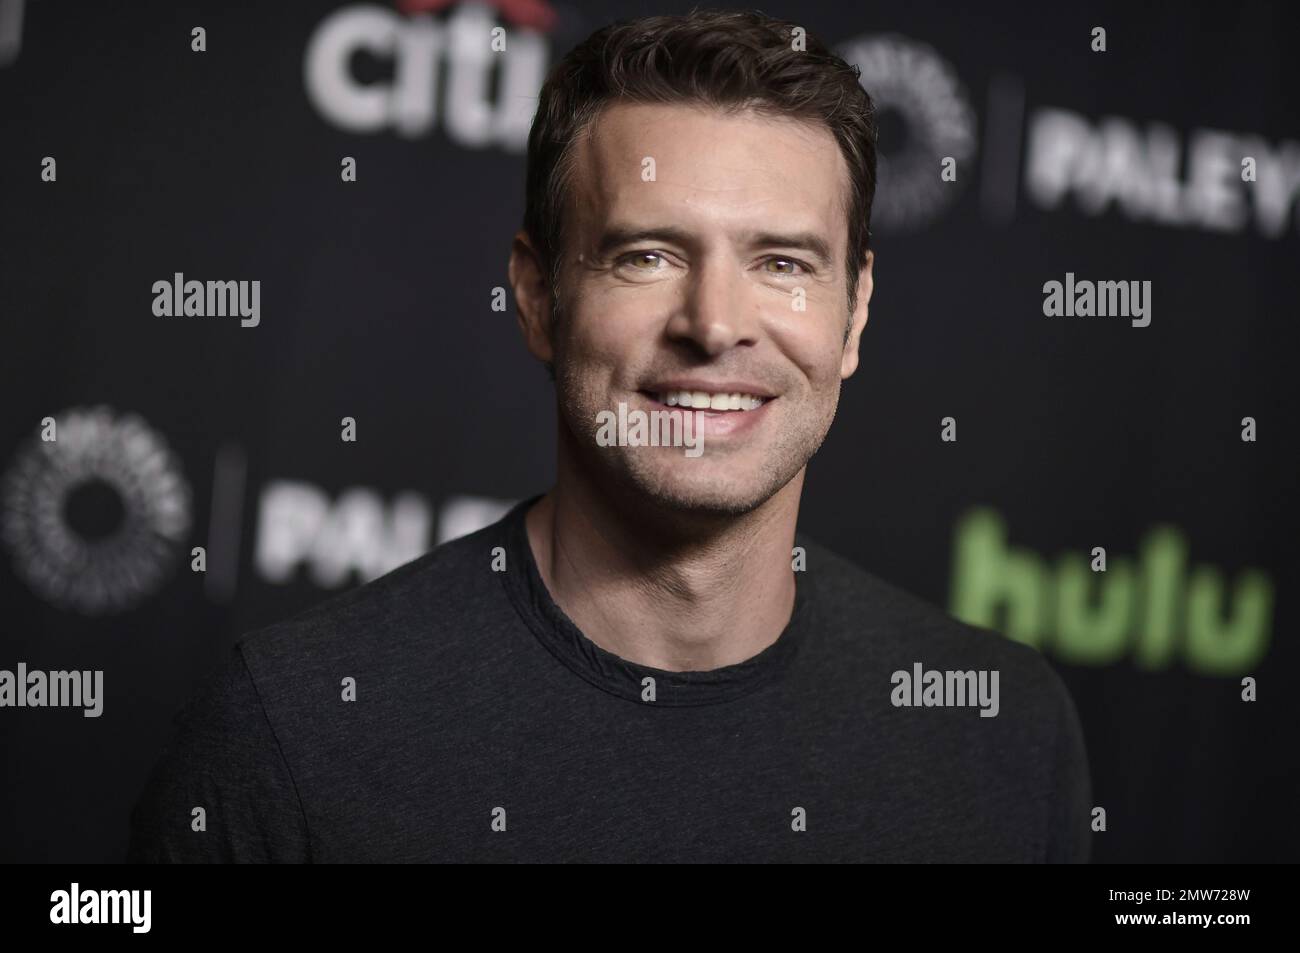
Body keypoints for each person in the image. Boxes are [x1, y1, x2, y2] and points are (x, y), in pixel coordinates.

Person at [128, 9, 1091, 863]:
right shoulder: (293, 730)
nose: (715, 324)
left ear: (856, 312)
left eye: (782, 261)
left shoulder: (1000, 730)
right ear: (539, 296)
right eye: (647, 254)